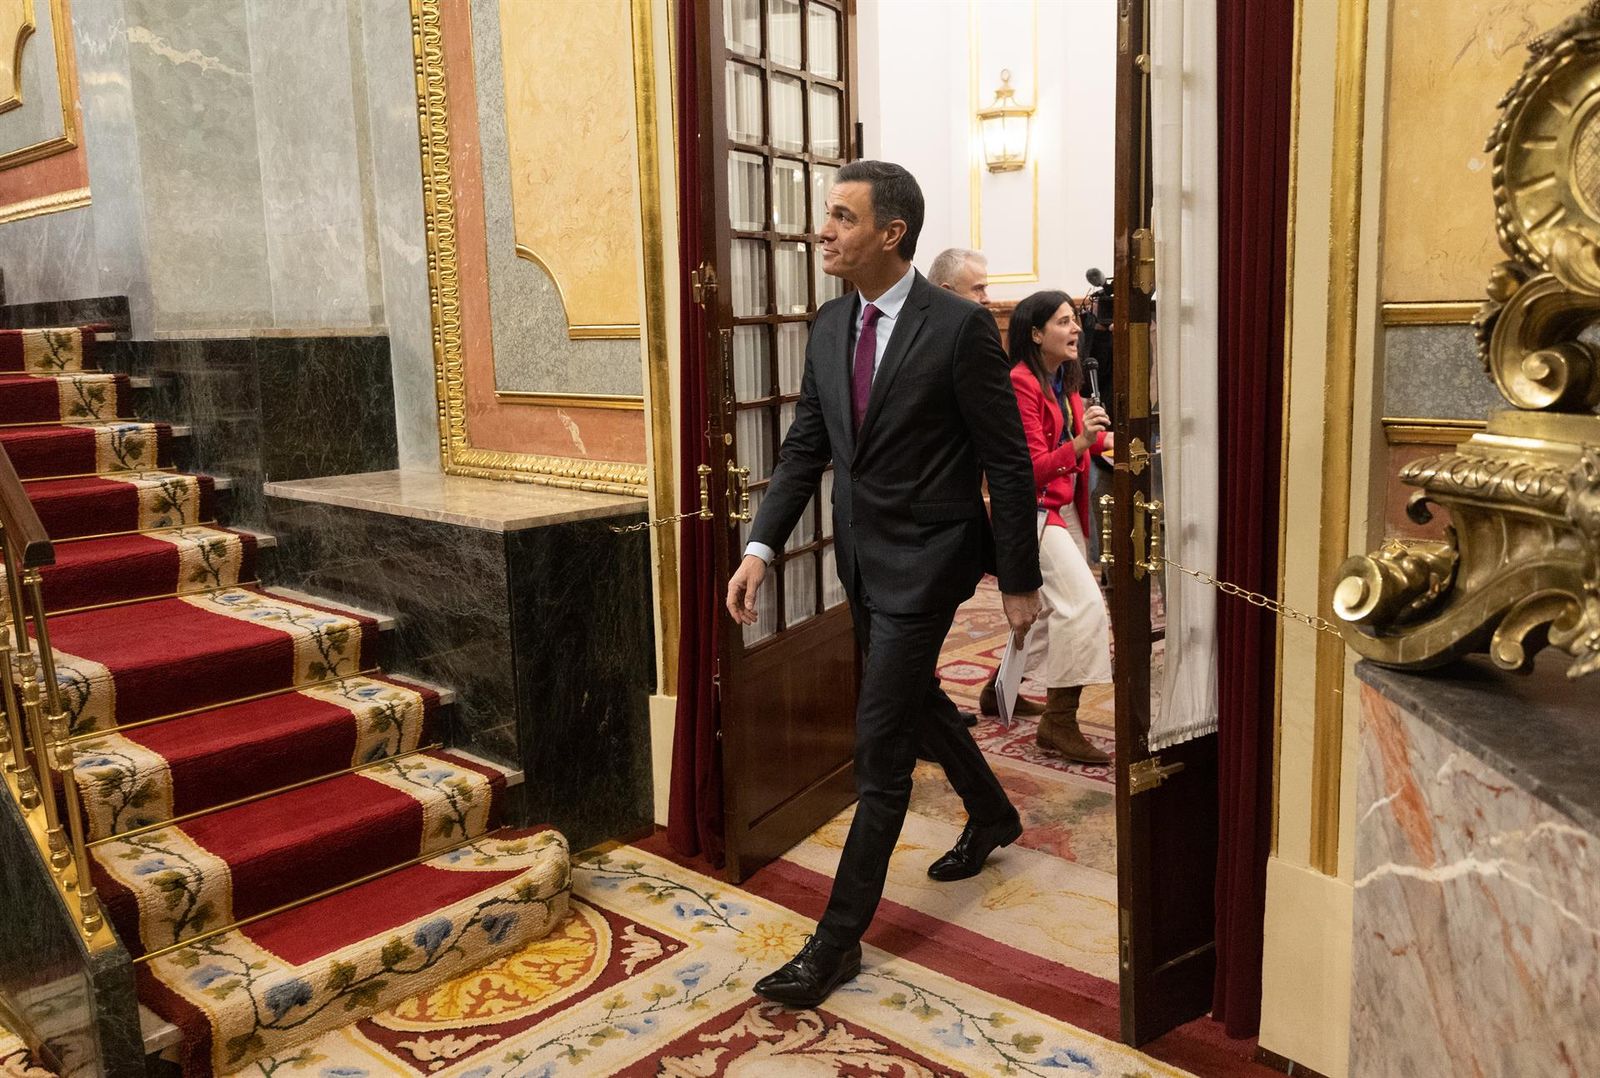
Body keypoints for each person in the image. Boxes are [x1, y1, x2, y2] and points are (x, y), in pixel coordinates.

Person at [726, 161, 1042, 1009]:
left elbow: (1008, 461)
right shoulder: (832, 323)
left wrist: (1019, 578)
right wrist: (760, 546)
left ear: (890, 232)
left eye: (840, 216)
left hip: (931, 560)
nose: (822, 230)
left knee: (879, 746)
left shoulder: (959, 327)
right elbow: (806, 447)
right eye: (826, 215)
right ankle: (993, 813)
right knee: (912, 700)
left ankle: (835, 944)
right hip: (862, 559)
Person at [1001, 290, 1114, 764]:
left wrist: (1114, 440)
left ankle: (999, 689)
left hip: (1062, 505)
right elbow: (1028, 469)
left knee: (1049, 610)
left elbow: (1082, 438)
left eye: (1075, 320)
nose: (1076, 329)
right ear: (1035, 333)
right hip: (1031, 510)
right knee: (1083, 606)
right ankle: (1059, 721)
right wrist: (1082, 443)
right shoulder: (1020, 382)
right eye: (1064, 322)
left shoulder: (1063, 378)